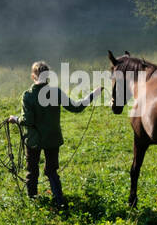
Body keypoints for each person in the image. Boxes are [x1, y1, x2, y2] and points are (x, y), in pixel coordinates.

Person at [8, 61, 98, 206]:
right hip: (52, 138)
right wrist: (93, 95)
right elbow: (76, 107)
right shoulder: (56, 92)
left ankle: (33, 200)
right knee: (51, 170)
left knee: (32, 170)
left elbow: (28, 120)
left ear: (33, 76)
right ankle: (59, 199)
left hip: (34, 140)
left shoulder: (27, 95)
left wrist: (15, 119)